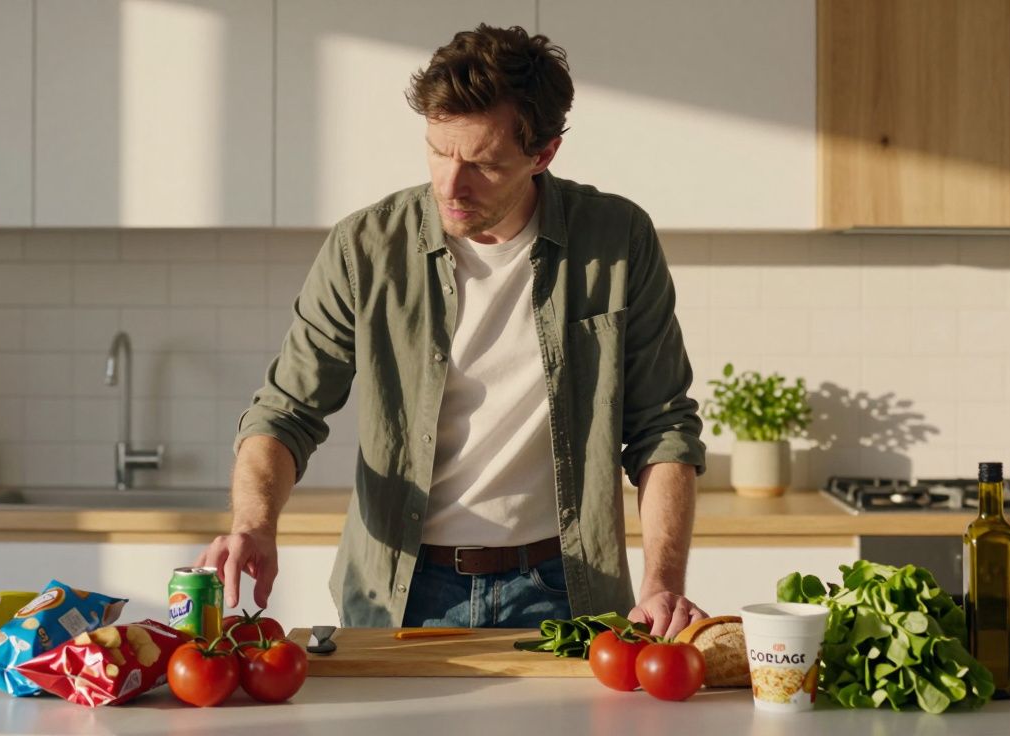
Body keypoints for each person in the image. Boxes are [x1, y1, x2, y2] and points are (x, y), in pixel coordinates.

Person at [197, 24, 707, 638]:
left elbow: (662, 427)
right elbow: (285, 413)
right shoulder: (365, 248)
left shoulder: (617, 240)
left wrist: (662, 583)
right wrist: (253, 524)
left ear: (543, 154)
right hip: (400, 589)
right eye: (439, 151)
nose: (450, 185)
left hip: (565, 586)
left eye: (483, 164)